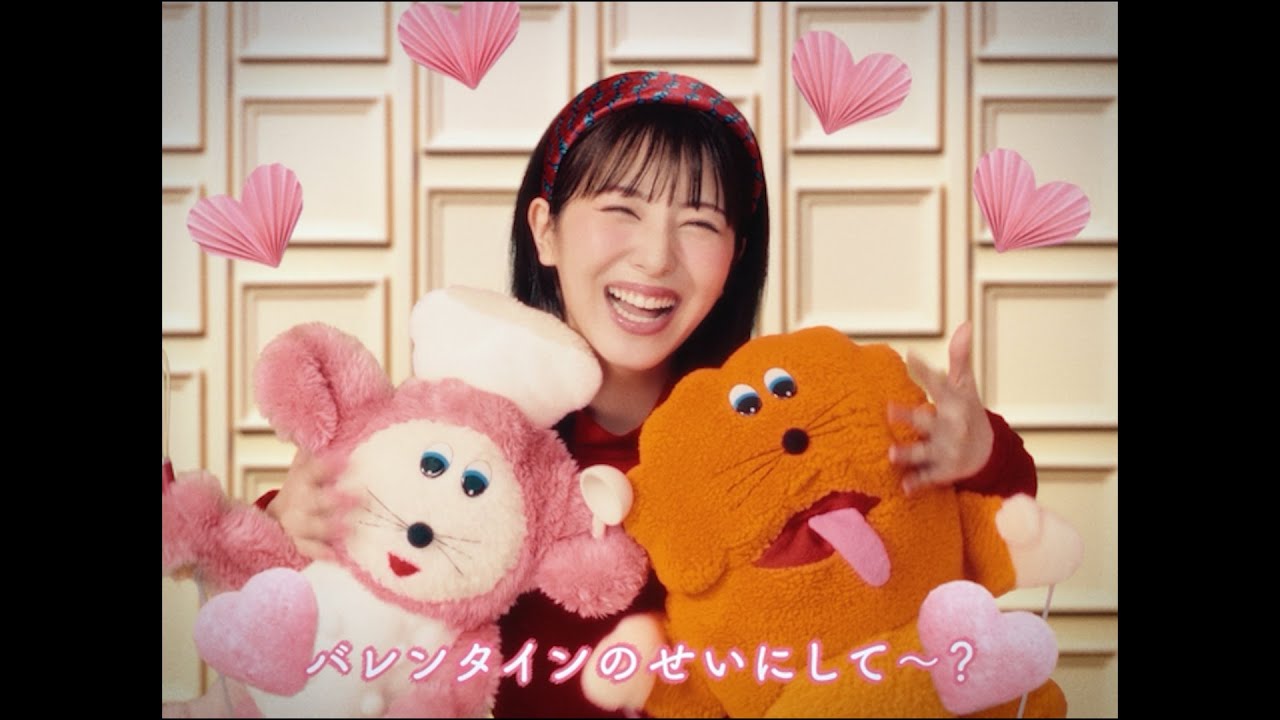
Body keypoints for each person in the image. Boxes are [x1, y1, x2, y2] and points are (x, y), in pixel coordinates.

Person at [262, 70, 1037, 717]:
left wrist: (977, 454)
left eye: (699, 223)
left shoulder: (772, 425)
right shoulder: (460, 425)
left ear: (736, 255)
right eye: (621, 210)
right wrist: (289, 519)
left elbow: (960, 532)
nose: (656, 258)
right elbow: (320, 571)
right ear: (545, 230)